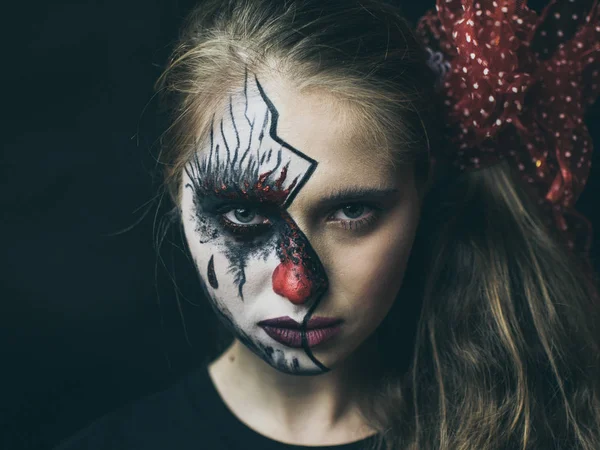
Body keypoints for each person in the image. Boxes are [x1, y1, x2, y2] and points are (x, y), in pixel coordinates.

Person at [55, 0, 600, 449]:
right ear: (179, 194)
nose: (299, 283)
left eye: (352, 211)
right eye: (243, 214)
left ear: (423, 186)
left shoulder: (547, 430)